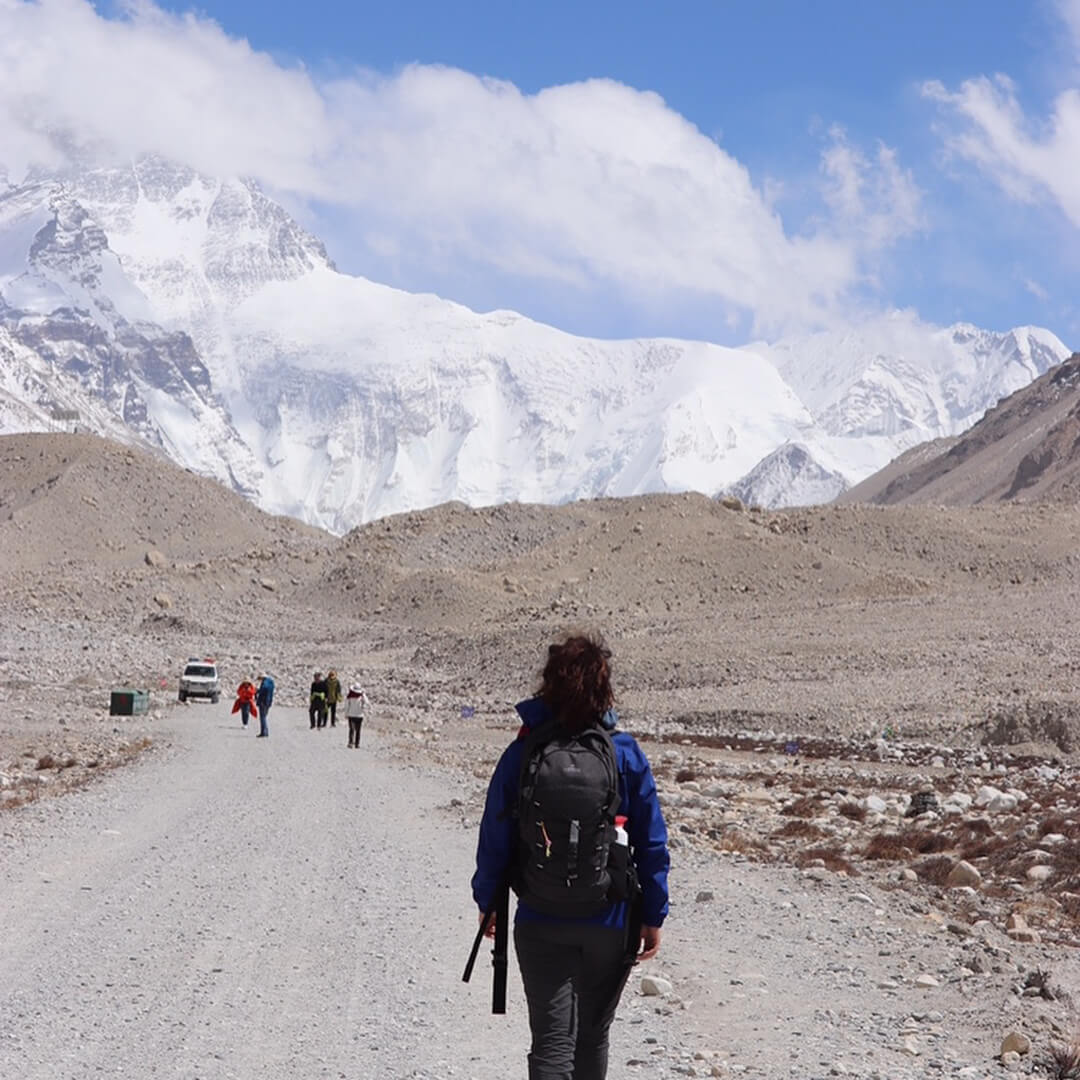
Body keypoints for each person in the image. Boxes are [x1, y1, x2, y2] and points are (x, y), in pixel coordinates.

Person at [472, 634, 669, 1080]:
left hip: (540, 919)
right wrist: (653, 914)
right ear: (604, 689)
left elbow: (494, 839)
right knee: (592, 1037)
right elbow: (652, 842)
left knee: (551, 1042)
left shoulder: (522, 753)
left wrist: (488, 904)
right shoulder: (625, 753)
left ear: (549, 685)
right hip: (610, 921)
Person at [345, 682, 368, 748]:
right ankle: (357, 744)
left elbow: (347, 706)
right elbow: (367, 703)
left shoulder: (349, 696)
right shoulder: (361, 696)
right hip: (359, 715)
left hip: (351, 715)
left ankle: (351, 743)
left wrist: (346, 714)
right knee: (358, 730)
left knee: (352, 729)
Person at [255, 674, 274, 738]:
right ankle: (265, 731)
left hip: (263, 702)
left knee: (262, 717)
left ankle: (264, 732)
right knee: (264, 716)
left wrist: (257, 691)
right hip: (268, 702)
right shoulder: (271, 682)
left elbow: (263, 689)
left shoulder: (265, 683)